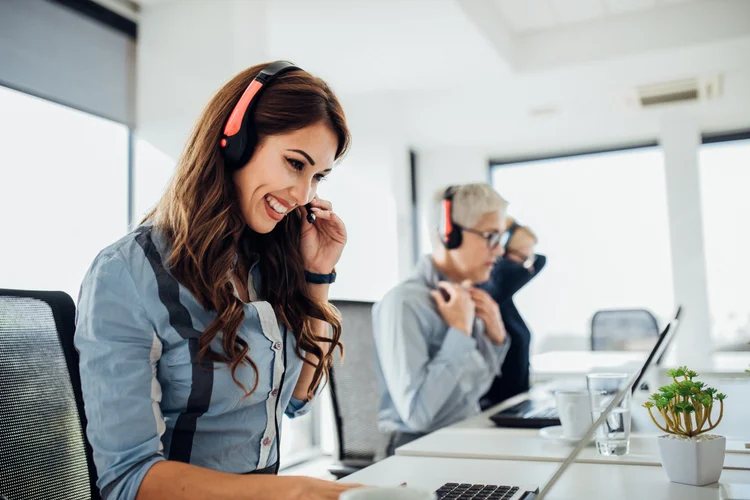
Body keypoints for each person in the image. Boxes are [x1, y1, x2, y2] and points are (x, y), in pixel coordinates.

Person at [75, 61, 361, 500]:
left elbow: (298, 399)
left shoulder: (266, 263)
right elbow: (128, 478)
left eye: (318, 177)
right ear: (235, 141)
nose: (305, 195)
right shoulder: (126, 274)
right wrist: (290, 492)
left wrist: (316, 275)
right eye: (295, 164)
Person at [372, 183, 511, 455]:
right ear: (451, 235)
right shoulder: (404, 304)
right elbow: (418, 416)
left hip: (463, 440)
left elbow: (471, 394)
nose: (500, 251)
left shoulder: (466, 299)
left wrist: (497, 341)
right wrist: (459, 332)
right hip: (417, 453)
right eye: (491, 237)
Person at [479, 218, 546, 410]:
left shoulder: (504, 297)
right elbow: (509, 271)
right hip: (495, 409)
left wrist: (513, 229)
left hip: (514, 404)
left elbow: (541, 260)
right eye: (523, 259)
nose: (528, 267)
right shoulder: (495, 289)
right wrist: (507, 234)